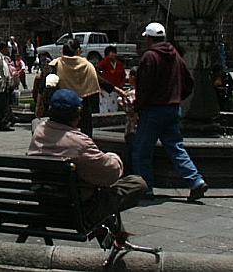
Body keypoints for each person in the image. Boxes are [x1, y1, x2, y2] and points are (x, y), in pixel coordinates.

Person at [28, 89, 146, 231]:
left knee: (89, 175)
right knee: (137, 184)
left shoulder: (39, 132)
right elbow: (111, 174)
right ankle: (116, 236)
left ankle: (116, 235)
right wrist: (113, 157)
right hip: (78, 211)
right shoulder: (79, 143)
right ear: (77, 115)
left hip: (46, 206)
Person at [131, 22, 208, 202]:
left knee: (142, 150)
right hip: (173, 108)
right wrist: (178, 97)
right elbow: (189, 82)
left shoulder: (149, 57)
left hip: (153, 110)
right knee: (175, 146)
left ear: (149, 38)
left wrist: (137, 108)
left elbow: (144, 87)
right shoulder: (175, 55)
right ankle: (195, 180)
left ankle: (145, 187)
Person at [48, 39, 100, 137]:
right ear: (77, 51)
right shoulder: (86, 65)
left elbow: (46, 84)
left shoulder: (56, 64)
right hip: (83, 102)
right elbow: (97, 80)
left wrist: (40, 104)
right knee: (85, 134)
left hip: (63, 103)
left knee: (62, 133)